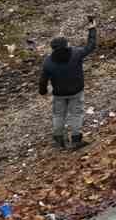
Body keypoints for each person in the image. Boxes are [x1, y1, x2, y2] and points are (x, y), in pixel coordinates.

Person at [39, 16, 97, 150]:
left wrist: (42, 91)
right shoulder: (76, 54)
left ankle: (59, 140)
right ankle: (76, 140)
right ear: (66, 45)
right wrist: (92, 29)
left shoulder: (48, 61)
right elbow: (91, 46)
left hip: (59, 93)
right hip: (76, 91)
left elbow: (43, 80)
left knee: (58, 115)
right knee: (76, 114)